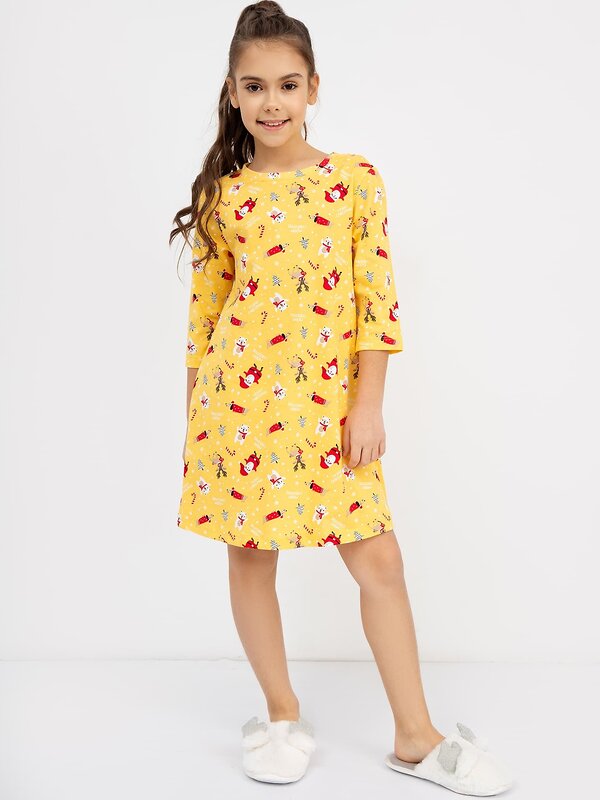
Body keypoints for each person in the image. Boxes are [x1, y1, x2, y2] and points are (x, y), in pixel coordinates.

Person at [169, 2, 514, 794]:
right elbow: (204, 319)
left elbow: (376, 301)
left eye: (288, 84)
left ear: (314, 88)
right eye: (254, 86)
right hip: (239, 410)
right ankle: (280, 715)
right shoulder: (225, 197)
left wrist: (368, 403)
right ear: (231, 92)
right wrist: (194, 425)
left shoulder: (354, 180)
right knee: (251, 556)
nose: (272, 102)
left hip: (330, 410)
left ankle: (415, 735)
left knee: (379, 559)